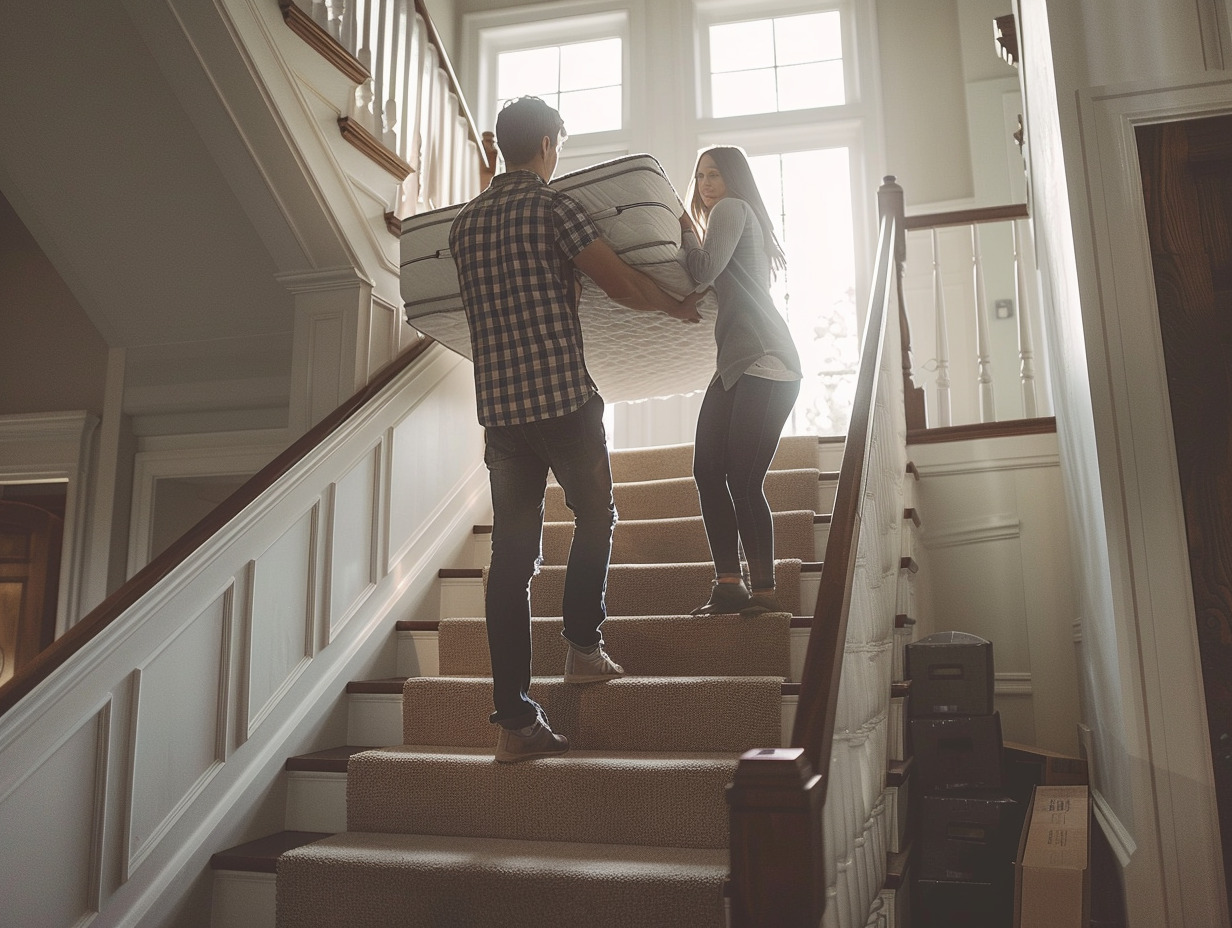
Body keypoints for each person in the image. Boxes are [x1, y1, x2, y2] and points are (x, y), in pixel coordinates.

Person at [449, 96, 702, 763]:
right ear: (545, 145)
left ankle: (513, 724)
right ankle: (582, 646)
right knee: (597, 515)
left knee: (511, 560)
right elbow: (619, 283)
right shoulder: (552, 207)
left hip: (502, 417)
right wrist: (675, 306)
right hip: (562, 401)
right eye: (557, 144)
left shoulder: (466, 225)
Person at [677, 145, 803, 617]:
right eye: (699, 176)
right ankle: (729, 583)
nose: (705, 185)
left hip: (767, 360)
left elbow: (702, 270)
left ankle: (766, 592)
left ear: (734, 179)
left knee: (742, 479)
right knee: (708, 470)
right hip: (735, 364)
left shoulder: (731, 210)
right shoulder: (731, 219)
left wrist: (688, 235)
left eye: (714, 174)